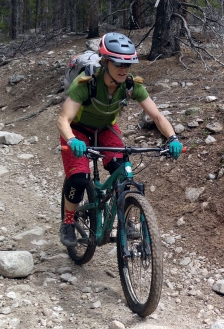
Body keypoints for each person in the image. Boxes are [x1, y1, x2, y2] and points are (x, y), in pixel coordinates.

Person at [57, 32, 182, 247]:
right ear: (105, 62)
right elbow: (63, 119)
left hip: (106, 128)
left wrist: (172, 138)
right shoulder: (85, 83)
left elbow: (157, 116)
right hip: (77, 129)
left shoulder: (132, 86)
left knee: (123, 172)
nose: (124, 69)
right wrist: (71, 140)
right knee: (78, 177)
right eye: (118, 64)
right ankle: (68, 221)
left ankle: (125, 217)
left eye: (128, 65)